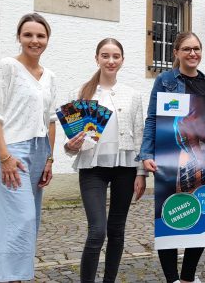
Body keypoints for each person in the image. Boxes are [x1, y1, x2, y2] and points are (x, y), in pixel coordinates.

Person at [62, 38, 147, 282]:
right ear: (97, 58)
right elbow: (70, 143)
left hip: (125, 168)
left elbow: (139, 135)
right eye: (105, 55)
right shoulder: (80, 93)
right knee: (97, 231)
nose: (111, 61)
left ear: (122, 60)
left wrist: (141, 173)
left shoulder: (132, 95)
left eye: (116, 56)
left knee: (116, 230)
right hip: (92, 168)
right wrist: (70, 146)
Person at [0, 13, 56, 282]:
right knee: (19, 219)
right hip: (11, 150)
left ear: (47, 39)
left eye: (40, 35)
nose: (35, 41)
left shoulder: (49, 76)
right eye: (28, 35)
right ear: (19, 37)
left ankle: (18, 276)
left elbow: (50, 119)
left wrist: (49, 159)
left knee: (29, 222)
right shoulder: (7, 67)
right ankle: (7, 277)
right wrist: (4, 157)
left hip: (39, 151)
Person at [138, 32, 205, 283]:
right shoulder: (165, 81)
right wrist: (146, 155)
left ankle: (187, 278)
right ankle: (172, 279)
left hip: (204, 159)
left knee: (202, 215)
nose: (192, 53)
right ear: (176, 53)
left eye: (196, 49)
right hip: (170, 158)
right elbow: (153, 119)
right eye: (187, 49)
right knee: (169, 218)